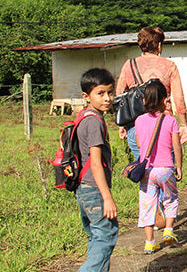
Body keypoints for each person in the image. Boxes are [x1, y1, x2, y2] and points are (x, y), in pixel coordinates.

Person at [116, 26, 187, 160]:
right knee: (165, 168)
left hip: (136, 124)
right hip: (164, 123)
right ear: (159, 45)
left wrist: (122, 124)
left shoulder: (129, 65)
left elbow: (120, 95)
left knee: (143, 169)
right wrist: (183, 124)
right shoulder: (169, 66)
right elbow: (178, 98)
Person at [75, 68, 119, 272]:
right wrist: (107, 197)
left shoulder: (84, 116)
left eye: (110, 92)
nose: (108, 98)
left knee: (96, 236)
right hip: (94, 189)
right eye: (100, 93)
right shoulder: (93, 121)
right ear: (86, 96)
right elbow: (95, 162)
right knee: (105, 235)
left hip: (84, 188)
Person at [134, 79, 183, 254]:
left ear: (144, 101)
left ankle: (149, 242)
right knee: (170, 199)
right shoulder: (171, 121)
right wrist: (179, 166)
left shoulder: (139, 121)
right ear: (164, 100)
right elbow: (176, 145)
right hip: (166, 168)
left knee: (147, 204)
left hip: (147, 170)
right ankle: (168, 230)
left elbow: (140, 144)